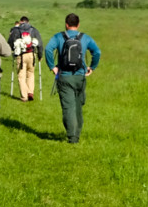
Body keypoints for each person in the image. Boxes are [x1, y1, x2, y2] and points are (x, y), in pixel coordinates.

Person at [44, 13, 101, 144]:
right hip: (80, 76)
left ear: (66, 24)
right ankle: (77, 133)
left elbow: (48, 49)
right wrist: (92, 67)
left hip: (64, 76)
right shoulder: (85, 38)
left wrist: (53, 67)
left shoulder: (59, 36)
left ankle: (72, 137)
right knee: (78, 106)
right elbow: (97, 52)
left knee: (68, 107)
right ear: (78, 24)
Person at [7, 15, 43, 101]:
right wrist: (40, 55)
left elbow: (10, 42)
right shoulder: (33, 30)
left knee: (21, 76)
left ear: (20, 22)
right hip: (31, 55)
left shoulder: (16, 30)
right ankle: (30, 92)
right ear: (28, 22)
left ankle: (24, 96)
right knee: (30, 74)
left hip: (20, 56)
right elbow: (40, 43)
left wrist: (13, 51)